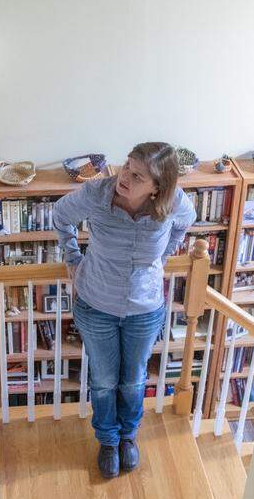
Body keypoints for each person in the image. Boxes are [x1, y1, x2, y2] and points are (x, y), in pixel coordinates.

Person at [53, 143, 197, 478]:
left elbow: (185, 223)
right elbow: (61, 216)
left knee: (133, 380)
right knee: (103, 379)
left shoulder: (174, 201)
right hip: (96, 303)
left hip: (144, 309)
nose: (125, 178)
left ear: (157, 187)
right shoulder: (96, 193)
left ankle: (128, 437)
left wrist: (164, 255)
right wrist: (73, 257)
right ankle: (107, 440)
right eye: (126, 168)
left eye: (137, 176)